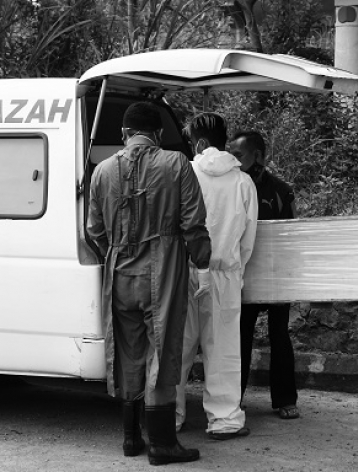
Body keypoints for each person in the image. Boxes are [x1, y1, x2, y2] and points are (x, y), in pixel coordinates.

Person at [86, 101, 212, 465]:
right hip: (163, 270)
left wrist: (117, 251)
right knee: (163, 349)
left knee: (128, 352)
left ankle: (129, 438)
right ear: (158, 135)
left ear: (124, 134)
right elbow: (193, 224)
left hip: (119, 273)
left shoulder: (102, 172)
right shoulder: (176, 165)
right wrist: (202, 263)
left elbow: (94, 231)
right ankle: (161, 443)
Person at [175, 113, 258, 440]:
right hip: (224, 275)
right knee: (222, 350)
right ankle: (224, 421)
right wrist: (234, 269)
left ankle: (169, 416)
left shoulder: (184, 174)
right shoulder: (243, 182)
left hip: (185, 273)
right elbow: (248, 239)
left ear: (198, 143)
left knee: (177, 348)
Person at [229, 131, 300, 421]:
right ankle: (233, 400)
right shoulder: (231, 188)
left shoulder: (282, 191)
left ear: (258, 156)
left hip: (276, 277)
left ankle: (285, 399)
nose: (234, 161)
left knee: (279, 336)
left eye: (239, 156)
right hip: (243, 276)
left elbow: (292, 236)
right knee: (240, 338)